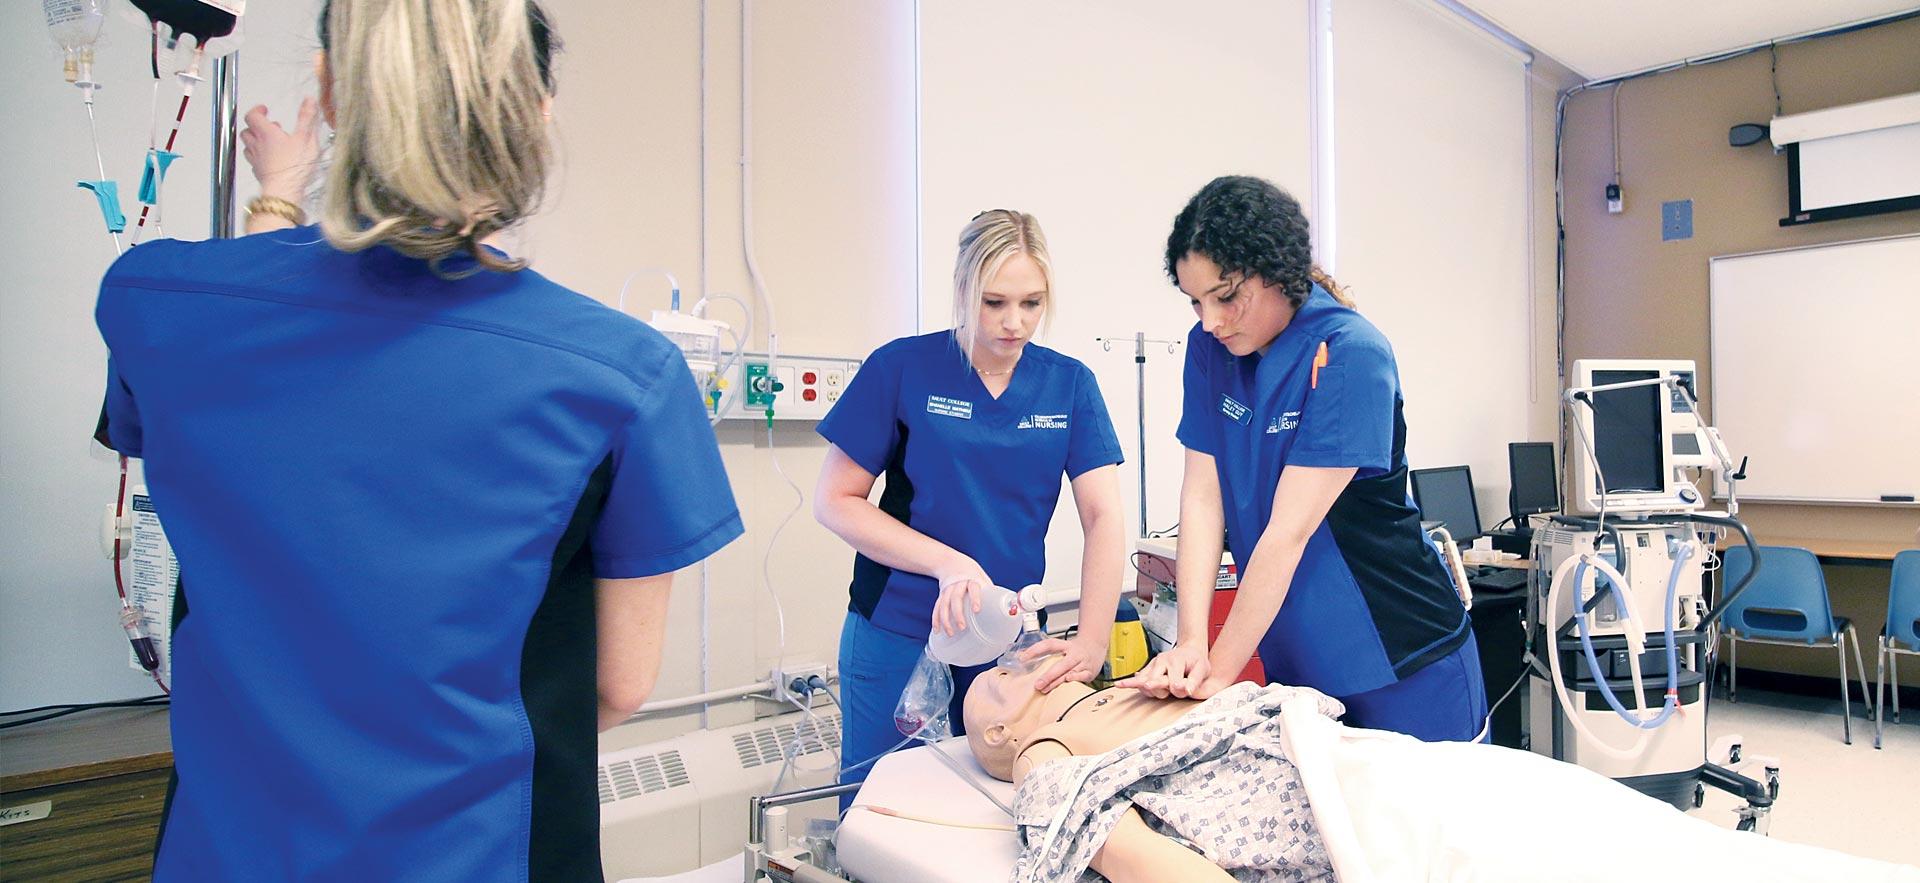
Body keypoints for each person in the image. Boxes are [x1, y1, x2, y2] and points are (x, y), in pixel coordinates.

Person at [91, 2, 742, 879]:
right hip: (473, 852)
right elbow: (618, 687)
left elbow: (258, 377)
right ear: (537, 113)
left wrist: (278, 194)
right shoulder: (618, 376)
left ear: (330, 90)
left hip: (229, 848)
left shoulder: (152, 301)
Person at [959, 659, 1920, 883]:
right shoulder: (1051, 760)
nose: (1017, 662)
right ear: (1000, 735)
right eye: (996, 683)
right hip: (1358, 817)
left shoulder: (1131, 680)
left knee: (1611, 820)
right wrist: (1031, 743)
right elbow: (1139, 856)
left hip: (1387, 765)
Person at [1121, 175, 1487, 743]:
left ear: (1277, 272)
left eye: (1226, 296)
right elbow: (1201, 496)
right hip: (1299, 668)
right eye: (1196, 302)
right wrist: (1191, 641)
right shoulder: (1209, 350)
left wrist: (1217, 676)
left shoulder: (1349, 353)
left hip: (1403, 660)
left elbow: (1286, 534)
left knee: (1427, 830)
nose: (1211, 320)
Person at [814, 210, 1126, 801]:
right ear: (963, 291)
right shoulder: (902, 368)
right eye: (994, 302)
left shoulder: (1069, 384)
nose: (1014, 323)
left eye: (1031, 304)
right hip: (899, 626)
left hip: (1004, 640)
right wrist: (947, 563)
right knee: (881, 801)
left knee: (994, 802)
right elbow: (835, 502)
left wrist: (1092, 638)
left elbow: (1105, 517)